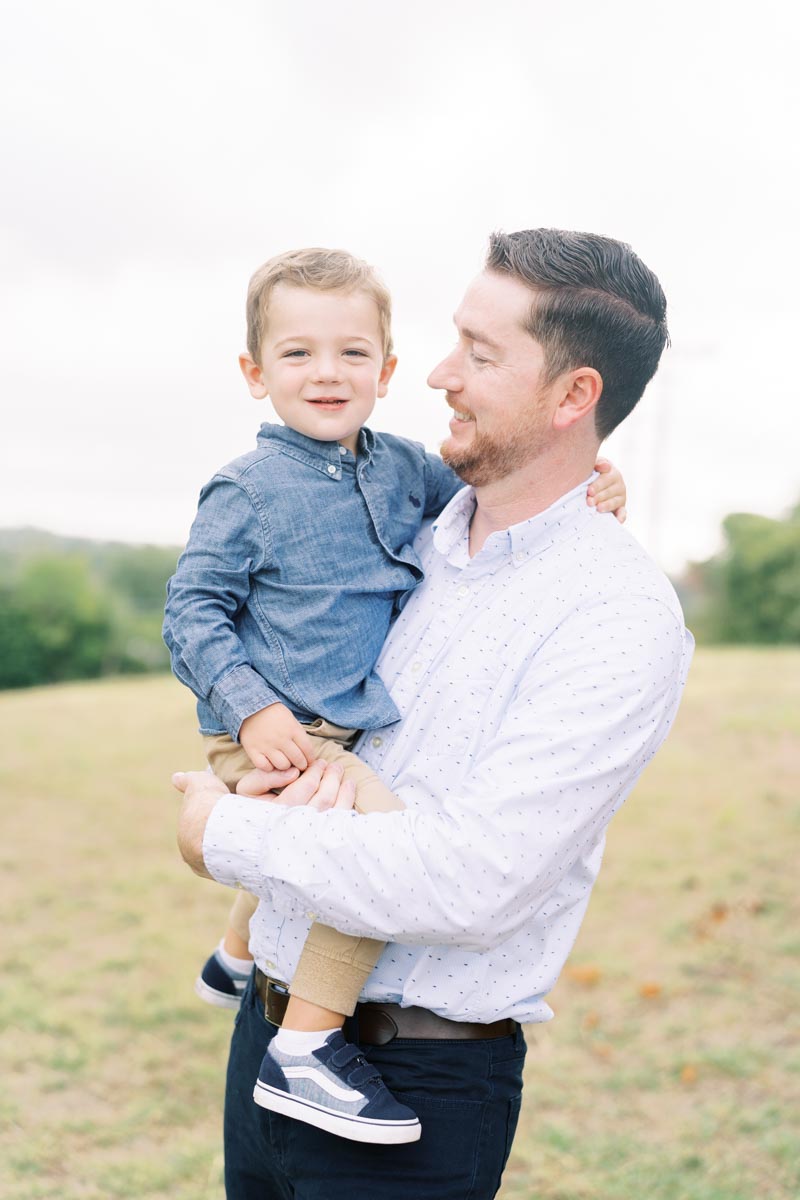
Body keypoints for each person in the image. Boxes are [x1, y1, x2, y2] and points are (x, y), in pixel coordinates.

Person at [174, 228, 693, 1200]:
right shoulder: (411, 518)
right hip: (264, 1031)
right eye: (450, 339)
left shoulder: (615, 616)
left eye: (479, 354)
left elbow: (470, 884)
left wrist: (224, 829)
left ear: (573, 396)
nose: (438, 375)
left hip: (413, 1084)